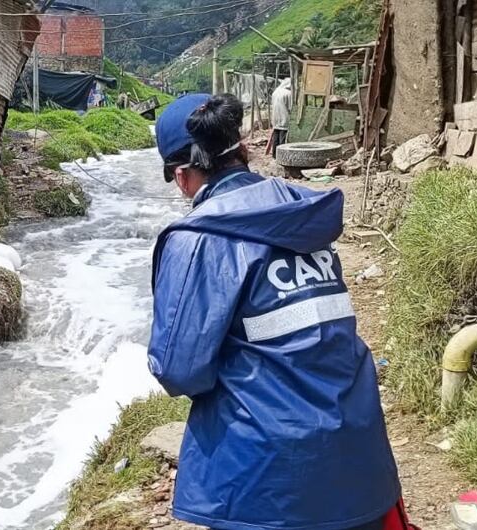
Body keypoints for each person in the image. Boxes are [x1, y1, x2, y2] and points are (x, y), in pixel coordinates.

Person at [149, 93, 414, 530]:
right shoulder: (303, 211)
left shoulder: (196, 239)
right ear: (243, 149)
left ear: (182, 177)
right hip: (358, 459)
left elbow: (179, 372)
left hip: (264, 487)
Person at [271, 78, 292, 151]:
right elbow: (290, 107)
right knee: (283, 138)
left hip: (275, 118)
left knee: (275, 137)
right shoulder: (288, 93)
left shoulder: (275, 92)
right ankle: (281, 154)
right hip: (284, 118)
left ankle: (274, 154)